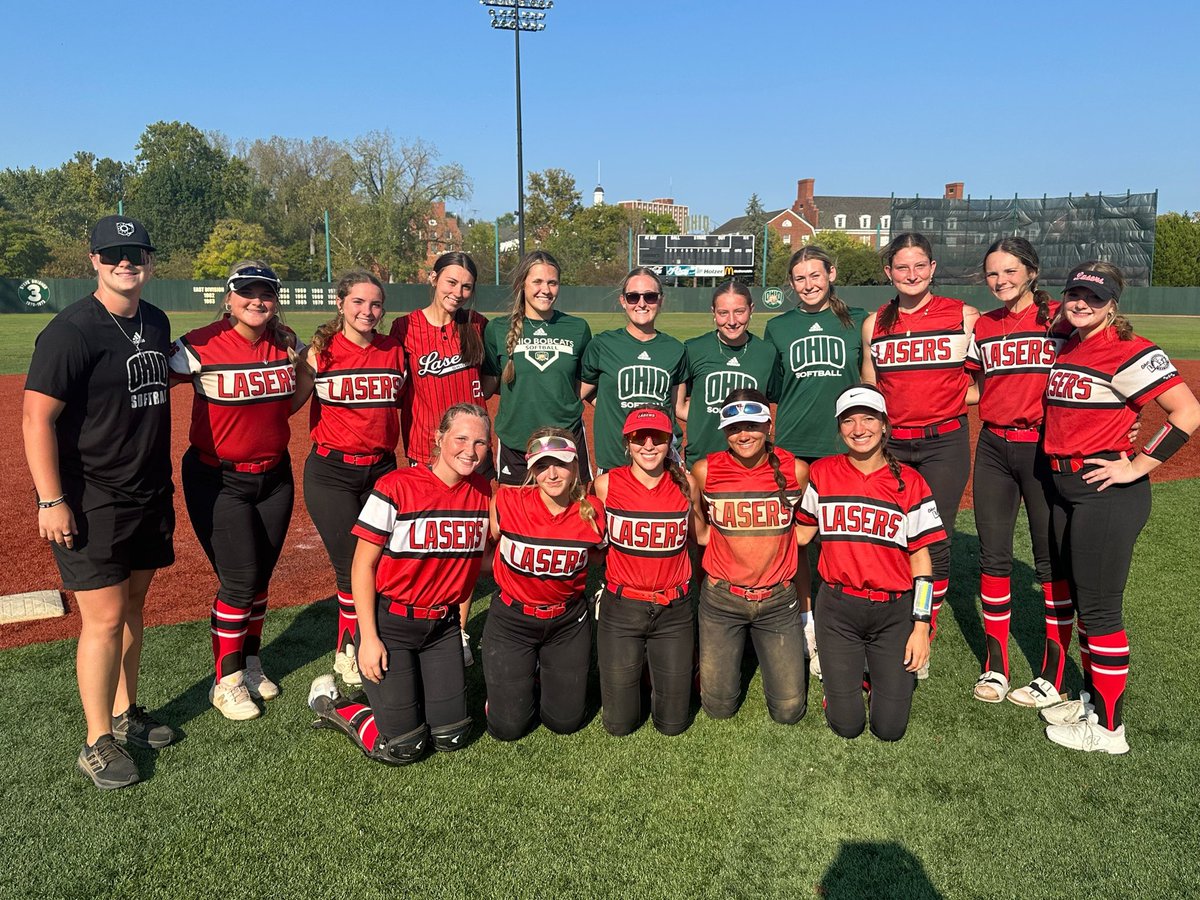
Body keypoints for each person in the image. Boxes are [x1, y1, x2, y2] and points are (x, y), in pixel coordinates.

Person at [23, 215, 175, 789]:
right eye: (113, 254)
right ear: (93, 260)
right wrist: (50, 499)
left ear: (149, 261)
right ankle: (96, 740)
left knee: (134, 607)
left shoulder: (156, 322)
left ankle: (126, 712)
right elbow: (36, 418)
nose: (126, 263)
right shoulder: (72, 330)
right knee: (104, 620)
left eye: (135, 253)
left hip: (148, 491)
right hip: (92, 498)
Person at [1037, 262, 1198, 755]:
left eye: (1095, 297)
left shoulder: (1132, 350)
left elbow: (1188, 411)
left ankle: (1109, 730)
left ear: (1113, 304)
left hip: (1105, 492)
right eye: (1075, 293)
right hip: (1066, 486)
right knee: (1084, 602)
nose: (1082, 303)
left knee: (1101, 610)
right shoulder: (1068, 337)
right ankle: (1091, 700)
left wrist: (1137, 465)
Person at [309, 404, 492, 765]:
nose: (470, 450)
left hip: (441, 628)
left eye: (481, 442)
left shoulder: (485, 493)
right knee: (402, 747)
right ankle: (334, 703)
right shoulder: (396, 486)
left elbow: (487, 556)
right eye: (461, 438)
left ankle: (406, 694)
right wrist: (369, 637)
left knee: (451, 737)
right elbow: (363, 565)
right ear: (438, 439)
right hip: (391, 624)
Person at [170, 260, 298, 721]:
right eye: (247, 292)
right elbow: (147, 383)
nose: (256, 301)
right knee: (240, 579)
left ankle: (249, 662)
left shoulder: (285, 344)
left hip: (275, 475)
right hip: (218, 477)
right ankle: (225, 682)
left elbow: (299, 389)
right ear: (229, 298)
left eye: (265, 293)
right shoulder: (199, 344)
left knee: (260, 577)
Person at [796, 384, 946, 741]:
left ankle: (873, 674)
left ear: (884, 425)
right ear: (838, 427)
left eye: (868, 419)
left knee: (889, 728)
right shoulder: (823, 473)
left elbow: (923, 562)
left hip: (892, 612)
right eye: (848, 421)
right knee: (847, 725)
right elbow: (800, 535)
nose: (858, 429)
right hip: (838, 609)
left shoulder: (910, 482)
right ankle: (842, 685)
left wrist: (921, 627)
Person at [862, 232, 979, 675]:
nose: (910, 275)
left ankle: (924, 627)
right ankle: (891, 622)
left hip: (943, 442)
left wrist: (944, 398)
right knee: (888, 532)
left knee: (932, 538)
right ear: (889, 273)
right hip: (892, 443)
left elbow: (990, 381)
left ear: (932, 268)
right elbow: (871, 386)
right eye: (901, 267)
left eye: (919, 266)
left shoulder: (964, 316)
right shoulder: (876, 323)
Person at [965, 238, 1071, 705]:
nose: (1001, 281)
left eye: (1010, 271)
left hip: (1042, 450)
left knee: (1049, 560)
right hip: (993, 447)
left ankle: (1052, 670)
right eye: (992, 273)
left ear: (1031, 271)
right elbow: (971, 386)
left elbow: (1099, 374)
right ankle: (996, 666)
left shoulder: (1061, 320)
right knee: (993, 557)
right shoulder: (985, 326)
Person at [294, 271, 405, 688]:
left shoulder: (394, 350)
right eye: (358, 302)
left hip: (382, 470)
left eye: (375, 304)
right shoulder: (320, 352)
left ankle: (374, 637)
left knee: (383, 562)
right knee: (351, 566)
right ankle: (350, 649)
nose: (367, 311)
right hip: (332, 472)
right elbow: (286, 406)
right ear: (340, 303)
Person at [764, 246, 868, 677]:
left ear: (832, 273)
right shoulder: (778, 327)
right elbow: (773, 394)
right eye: (800, 279)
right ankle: (806, 621)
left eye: (815, 275)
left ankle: (840, 623)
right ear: (791, 284)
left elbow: (869, 380)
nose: (808, 285)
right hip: (793, 447)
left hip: (845, 446)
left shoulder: (858, 320)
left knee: (842, 542)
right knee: (799, 542)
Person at [390, 251, 489, 664]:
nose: (458, 292)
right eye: (451, 282)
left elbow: (493, 376)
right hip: (424, 454)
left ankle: (458, 631)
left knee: (465, 547)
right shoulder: (404, 327)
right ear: (433, 279)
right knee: (429, 545)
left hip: (472, 455)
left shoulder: (477, 325)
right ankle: (423, 625)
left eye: (466, 286)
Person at [691, 388, 808, 725]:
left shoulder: (795, 469)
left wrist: (806, 610)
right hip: (722, 600)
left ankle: (761, 644)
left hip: (777, 601)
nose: (743, 435)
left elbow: (802, 534)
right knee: (718, 707)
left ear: (768, 426)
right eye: (734, 428)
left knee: (789, 711)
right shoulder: (705, 470)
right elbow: (701, 533)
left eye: (752, 425)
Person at [483, 428, 607, 740]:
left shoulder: (592, 511)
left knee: (563, 722)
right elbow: (482, 552)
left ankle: (535, 674)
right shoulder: (507, 501)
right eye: (541, 466)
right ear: (531, 470)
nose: (551, 474)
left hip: (566, 623)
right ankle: (510, 686)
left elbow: (598, 558)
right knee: (507, 728)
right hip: (512, 622)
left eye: (560, 464)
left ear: (575, 466)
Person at [593, 408, 697, 736]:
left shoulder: (685, 484)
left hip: (673, 610)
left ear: (670, 442)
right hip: (622, 608)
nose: (648, 445)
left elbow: (700, 538)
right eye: (639, 437)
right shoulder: (606, 484)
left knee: (673, 724)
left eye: (659, 437)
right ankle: (640, 669)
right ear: (627, 443)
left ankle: (658, 667)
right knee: (619, 724)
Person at [482, 252, 593, 485]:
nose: (546, 289)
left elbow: (584, 379)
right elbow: (491, 382)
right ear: (522, 283)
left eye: (552, 282)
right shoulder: (497, 329)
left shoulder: (577, 328)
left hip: (565, 437)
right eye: (538, 282)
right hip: (516, 439)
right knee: (515, 514)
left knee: (574, 513)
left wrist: (567, 403)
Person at [580, 268, 687, 474]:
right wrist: (608, 404)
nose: (641, 303)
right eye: (633, 297)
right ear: (623, 301)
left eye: (650, 296)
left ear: (661, 300)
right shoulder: (602, 344)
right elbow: (580, 392)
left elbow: (676, 407)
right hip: (615, 460)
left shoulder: (676, 349)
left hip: (661, 460)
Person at [680, 280, 779, 468]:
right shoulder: (694, 349)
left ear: (751, 309)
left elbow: (773, 401)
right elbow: (679, 405)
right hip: (702, 458)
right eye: (723, 313)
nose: (732, 321)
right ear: (713, 313)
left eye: (739, 312)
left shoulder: (767, 352)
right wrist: (703, 415)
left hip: (751, 461)